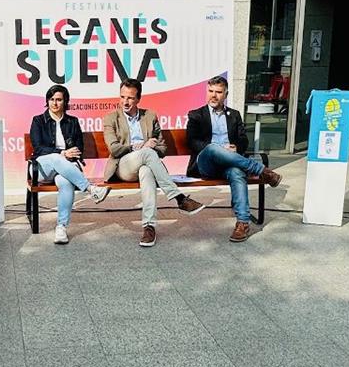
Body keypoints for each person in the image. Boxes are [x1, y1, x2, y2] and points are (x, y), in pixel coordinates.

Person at [102, 78, 205, 247]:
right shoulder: (111, 118)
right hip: (123, 166)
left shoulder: (149, 116)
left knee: (146, 171)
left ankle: (149, 226)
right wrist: (141, 146)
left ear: (138, 99)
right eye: (122, 97)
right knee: (147, 153)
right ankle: (179, 198)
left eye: (130, 98)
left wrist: (149, 148)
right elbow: (114, 149)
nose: (125, 102)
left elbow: (162, 149)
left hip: (146, 164)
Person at [185, 75, 281, 242]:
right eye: (210, 91)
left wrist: (236, 147)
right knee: (212, 148)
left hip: (229, 163)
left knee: (237, 172)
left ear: (226, 94)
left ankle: (243, 223)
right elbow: (192, 142)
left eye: (218, 92)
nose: (213, 95)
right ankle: (261, 170)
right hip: (206, 163)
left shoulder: (234, 115)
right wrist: (219, 148)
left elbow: (243, 140)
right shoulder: (196, 115)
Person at [28, 85, 110, 244]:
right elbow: (38, 148)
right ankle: (90, 189)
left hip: (66, 169)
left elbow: (79, 148)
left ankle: (61, 227)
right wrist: (62, 153)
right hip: (42, 169)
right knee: (55, 157)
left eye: (59, 100)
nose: (54, 103)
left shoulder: (72, 121)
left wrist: (69, 156)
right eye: (51, 99)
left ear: (65, 102)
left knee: (65, 182)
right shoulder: (38, 121)